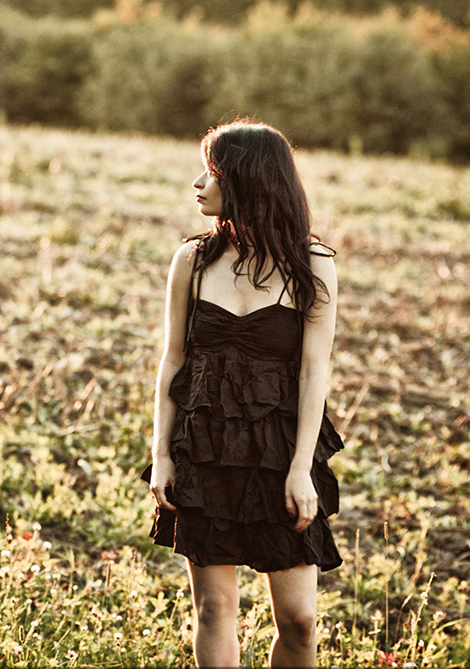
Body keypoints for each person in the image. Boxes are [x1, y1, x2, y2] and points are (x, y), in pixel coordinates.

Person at [141, 120, 344, 667]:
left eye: (212, 171)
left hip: (281, 450)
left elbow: (312, 373)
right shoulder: (192, 260)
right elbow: (173, 361)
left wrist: (302, 467)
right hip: (203, 448)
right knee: (213, 609)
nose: (198, 183)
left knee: (299, 622)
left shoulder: (313, 266)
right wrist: (161, 455)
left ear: (249, 180)